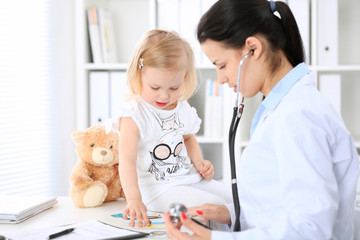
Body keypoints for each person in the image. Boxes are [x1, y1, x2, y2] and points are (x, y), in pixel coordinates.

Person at [164, 0, 359, 239]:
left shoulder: (299, 116)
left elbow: (311, 230)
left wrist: (215, 238)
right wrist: (232, 214)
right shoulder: (283, 108)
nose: (221, 78)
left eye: (222, 65)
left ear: (253, 49)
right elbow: (280, 206)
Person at [106, 29, 232, 228]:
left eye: (174, 88)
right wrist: (134, 200)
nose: (164, 96)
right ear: (138, 75)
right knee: (215, 209)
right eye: (155, 87)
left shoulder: (181, 107)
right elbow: (127, 162)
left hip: (188, 178)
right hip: (157, 190)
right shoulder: (133, 114)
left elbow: (188, 138)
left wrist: (199, 163)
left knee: (236, 201)